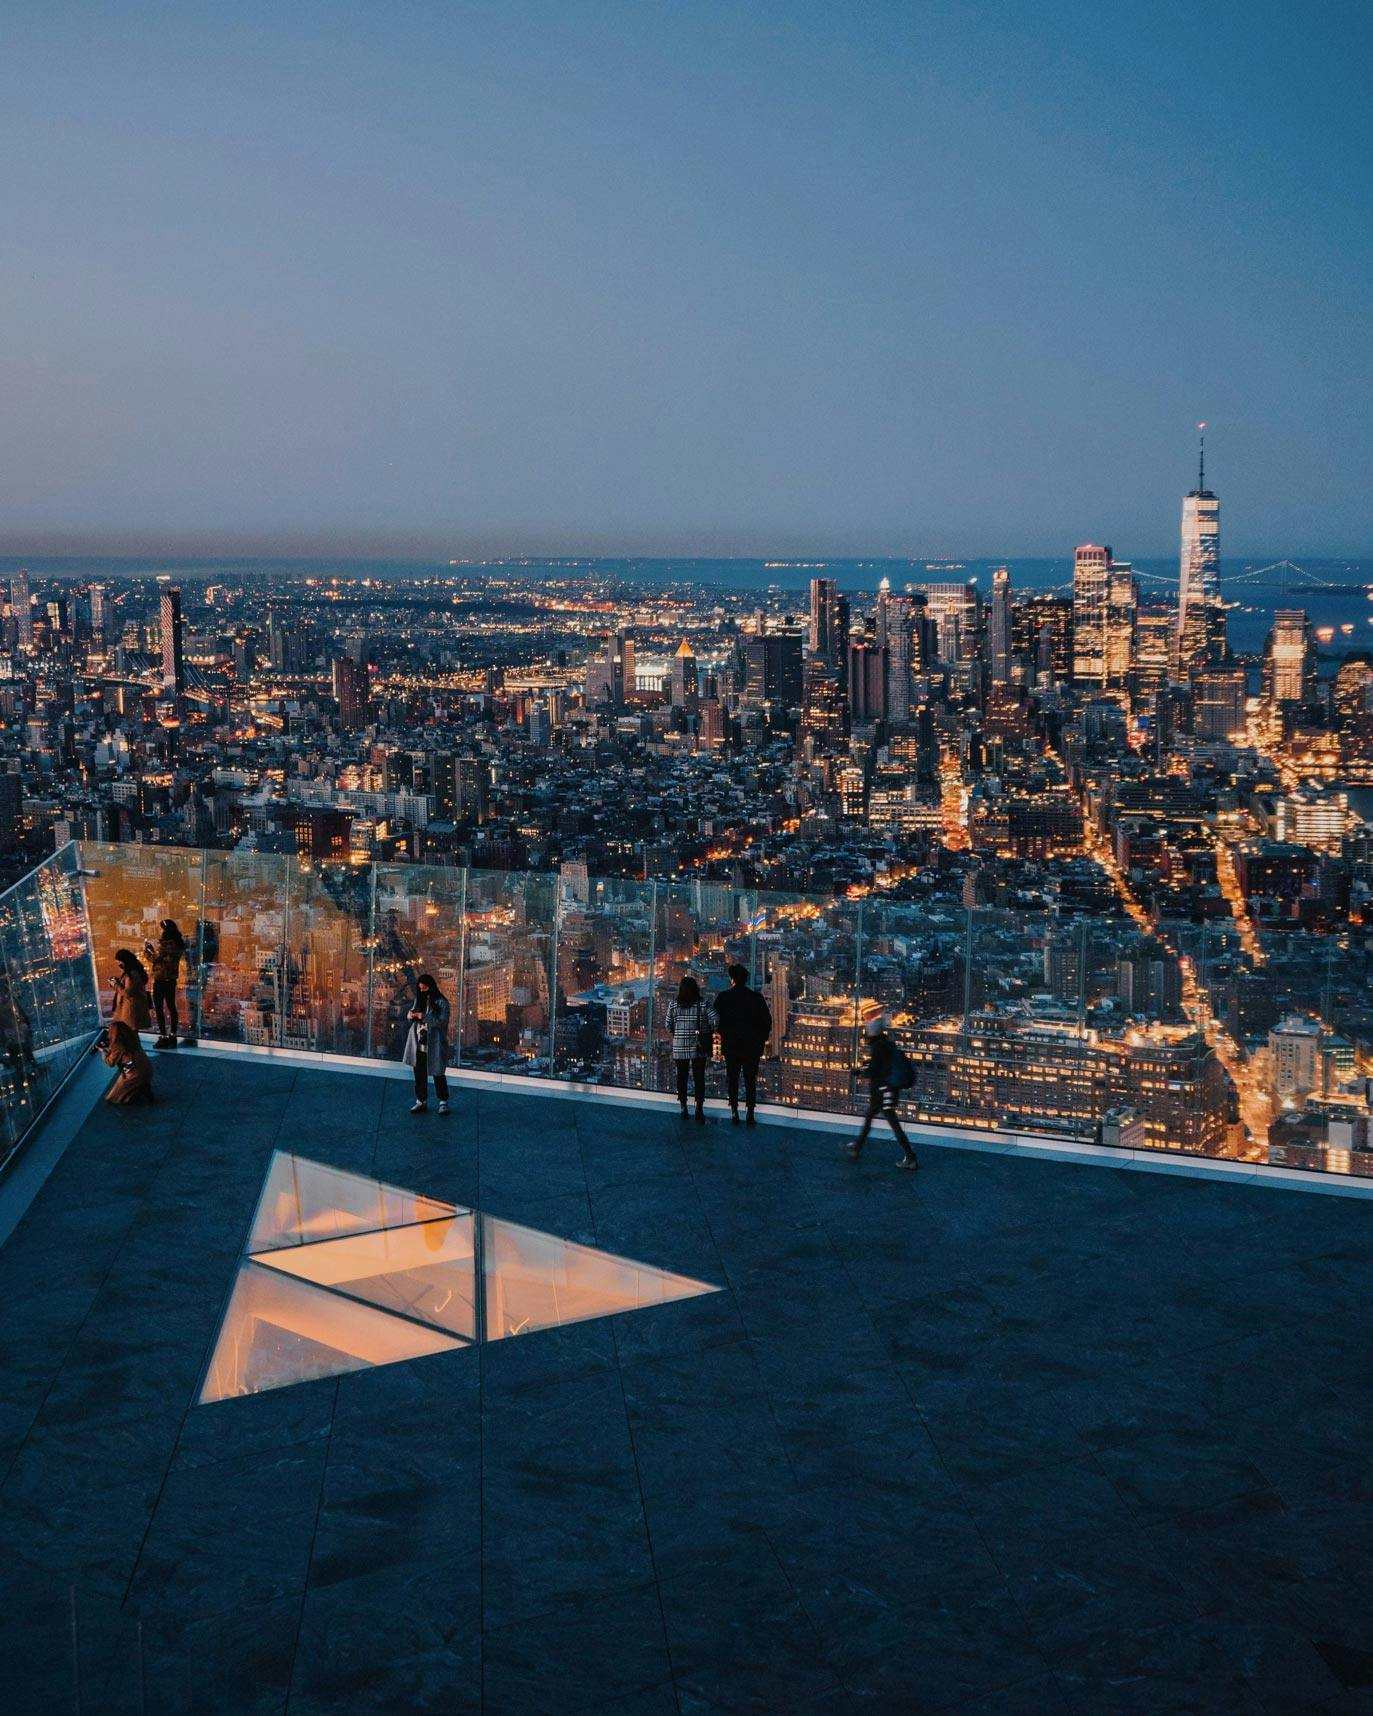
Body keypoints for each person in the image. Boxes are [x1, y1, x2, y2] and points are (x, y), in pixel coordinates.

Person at [847, 1015, 919, 1170]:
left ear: (872, 1032)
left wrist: (860, 1072)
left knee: (893, 1124)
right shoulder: (885, 1044)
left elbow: (875, 1069)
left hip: (883, 1092)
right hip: (885, 1091)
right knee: (872, 1118)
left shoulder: (878, 1046)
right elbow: (880, 1065)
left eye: (868, 1030)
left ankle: (910, 1157)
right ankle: (857, 1147)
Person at [714, 963, 772, 1126]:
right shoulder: (756, 998)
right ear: (746, 979)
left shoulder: (723, 997)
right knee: (750, 1080)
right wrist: (761, 1039)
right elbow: (766, 1021)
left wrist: (723, 1032)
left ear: (732, 979)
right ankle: (750, 1113)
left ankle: (734, 1112)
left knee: (732, 1079)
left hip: (731, 1045)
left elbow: (714, 1019)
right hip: (751, 1046)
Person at [666, 975, 715, 1124]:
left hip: (680, 1047)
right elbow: (716, 1019)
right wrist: (708, 1029)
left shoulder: (674, 1004)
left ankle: (683, 1107)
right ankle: (699, 1108)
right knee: (699, 1078)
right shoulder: (703, 1004)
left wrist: (678, 1032)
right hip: (698, 1047)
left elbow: (668, 1025)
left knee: (682, 1077)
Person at [404, 973, 451, 1115]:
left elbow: (442, 1021)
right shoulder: (419, 1000)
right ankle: (421, 1100)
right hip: (419, 1042)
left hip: (434, 1043)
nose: (423, 991)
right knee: (419, 1073)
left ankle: (443, 1101)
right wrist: (411, 1015)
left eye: (425, 988)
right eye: (421, 988)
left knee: (438, 1072)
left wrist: (424, 1017)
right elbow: (408, 1015)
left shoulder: (441, 1002)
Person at [145, 919, 187, 1048]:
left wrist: (148, 951)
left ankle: (163, 1037)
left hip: (161, 979)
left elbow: (155, 959)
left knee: (159, 1008)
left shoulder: (165, 946)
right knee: (171, 1006)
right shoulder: (179, 944)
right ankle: (173, 1036)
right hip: (172, 979)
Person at [102, 1020, 155, 1105]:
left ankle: (136, 1090)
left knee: (112, 1097)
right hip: (147, 1069)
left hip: (135, 1073)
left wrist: (103, 1053)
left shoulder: (118, 1044)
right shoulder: (133, 1038)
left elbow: (110, 1063)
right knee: (126, 1074)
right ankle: (141, 1088)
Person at [110, 949, 153, 1036]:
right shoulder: (134, 972)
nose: (119, 965)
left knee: (131, 1034)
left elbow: (128, 993)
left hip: (130, 1009)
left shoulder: (132, 974)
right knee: (131, 1034)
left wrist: (115, 984)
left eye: (119, 962)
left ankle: (133, 1049)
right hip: (131, 1007)